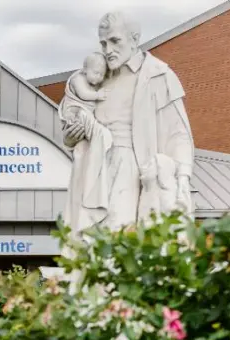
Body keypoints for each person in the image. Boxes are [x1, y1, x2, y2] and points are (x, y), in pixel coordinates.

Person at [61, 10, 195, 237]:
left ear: (134, 39)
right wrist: (72, 135)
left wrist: (183, 177)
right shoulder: (96, 77)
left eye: (115, 41)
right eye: (103, 43)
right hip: (93, 168)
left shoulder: (158, 75)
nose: (108, 50)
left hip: (131, 170)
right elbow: (70, 129)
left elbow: (178, 133)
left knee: (119, 238)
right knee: (89, 243)